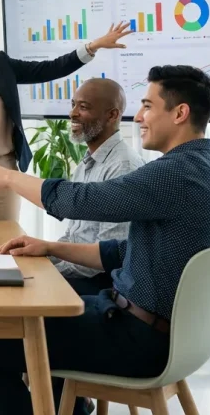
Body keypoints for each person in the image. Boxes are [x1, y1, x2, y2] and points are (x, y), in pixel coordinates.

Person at [0, 65, 210, 415]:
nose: (138, 116)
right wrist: (51, 247)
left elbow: (83, 200)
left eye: (148, 106)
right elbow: (126, 251)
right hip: (170, 336)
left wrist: (9, 178)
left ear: (180, 113)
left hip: (138, 339)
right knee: (41, 322)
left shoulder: (175, 174)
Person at [0, 5, 132, 392]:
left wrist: (93, 47)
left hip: (4, 174)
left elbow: (48, 68)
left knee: (6, 259)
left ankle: (9, 347)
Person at [56, 78, 145, 296]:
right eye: (73, 105)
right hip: (79, 275)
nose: (72, 113)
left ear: (112, 115)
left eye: (83, 107)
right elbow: (73, 236)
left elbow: (105, 259)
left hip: (100, 284)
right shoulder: (88, 162)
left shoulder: (123, 167)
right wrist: (38, 258)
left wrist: (48, 271)